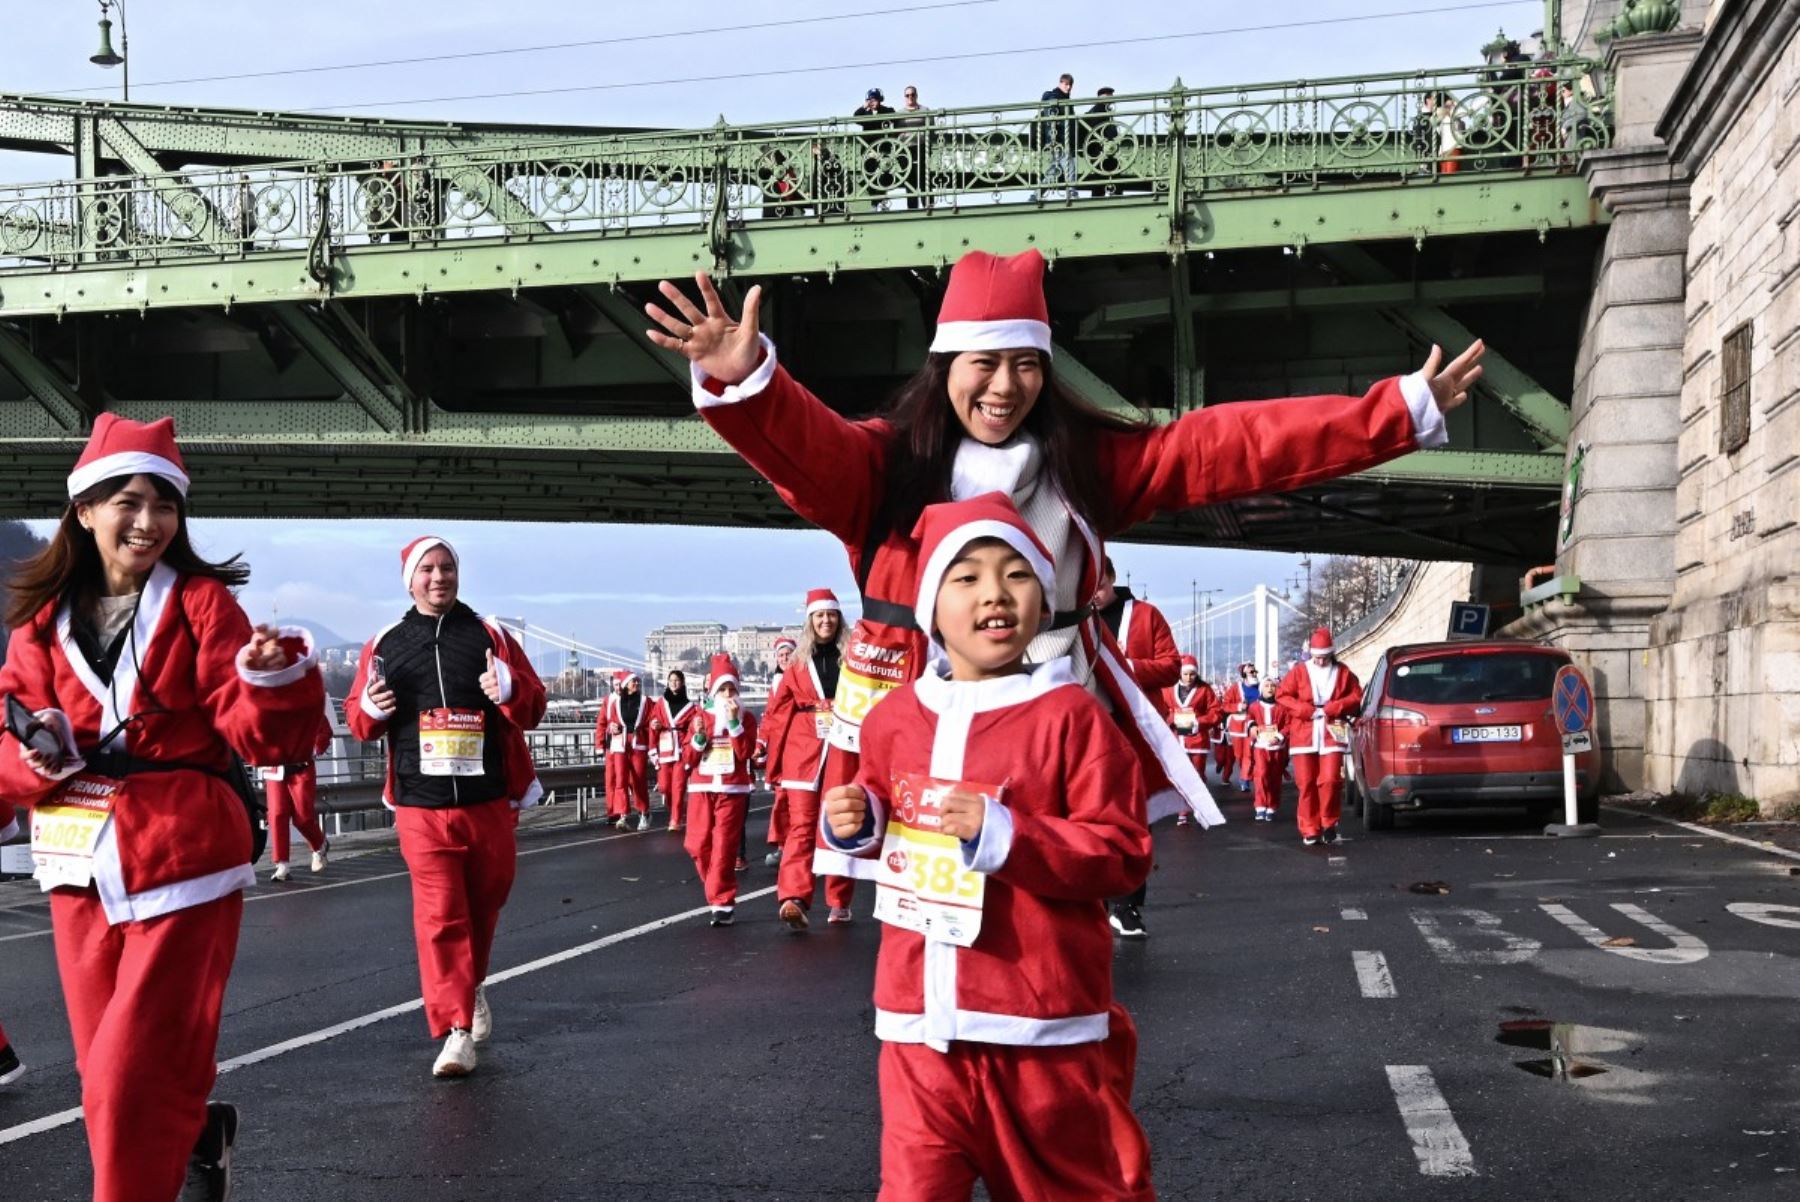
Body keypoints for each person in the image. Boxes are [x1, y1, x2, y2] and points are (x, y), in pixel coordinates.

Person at [645, 247, 1480, 910]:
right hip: (925, 740)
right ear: (944, 365)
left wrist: (1396, 412)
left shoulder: (1082, 470)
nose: (1005, 387)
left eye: (1027, 364)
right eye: (983, 362)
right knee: (938, 948)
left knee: (1056, 931)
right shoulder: (885, 471)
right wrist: (743, 379)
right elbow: (802, 444)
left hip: (1052, 736)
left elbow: (1233, 446)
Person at [0, 414, 325, 1202]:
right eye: (128, 502)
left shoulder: (203, 605)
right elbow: (9, 723)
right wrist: (32, 750)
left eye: (165, 505)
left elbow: (251, 733)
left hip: (183, 860)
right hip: (79, 864)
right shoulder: (42, 617)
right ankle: (197, 1133)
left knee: (127, 1078)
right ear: (83, 509)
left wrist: (268, 679)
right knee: (106, 1074)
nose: (148, 523)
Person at [822, 493, 1155, 1201]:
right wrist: (857, 822)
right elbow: (886, 828)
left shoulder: (1073, 718)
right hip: (916, 1030)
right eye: (966, 577)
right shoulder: (891, 721)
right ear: (930, 605)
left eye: (1017, 575)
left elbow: (1123, 852)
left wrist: (1005, 835)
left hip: (1039, 1032)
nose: (994, 594)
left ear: (1043, 599)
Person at [347, 535, 547, 1078]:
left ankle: (472, 981)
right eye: (427, 570)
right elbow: (359, 722)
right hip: (421, 803)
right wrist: (369, 705)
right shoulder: (386, 642)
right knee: (440, 916)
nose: (439, 578)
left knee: (486, 900)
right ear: (410, 581)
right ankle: (456, 1030)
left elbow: (534, 704)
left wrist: (509, 687)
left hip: (487, 798)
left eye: (447, 568)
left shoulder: (491, 635)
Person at [1094, 557, 1181, 938]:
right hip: (1090, 730)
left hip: (1136, 732)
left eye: (1097, 586)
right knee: (1090, 816)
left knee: (1135, 818)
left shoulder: (1146, 615)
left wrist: (1124, 666)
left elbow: (1172, 666)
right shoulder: (1071, 617)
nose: (1092, 596)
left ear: (1111, 579)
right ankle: (1095, 902)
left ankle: (1128, 906)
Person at [763, 589, 851, 931]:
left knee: (839, 825)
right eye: (819, 616)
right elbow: (777, 710)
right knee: (801, 826)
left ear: (838, 620)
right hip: (804, 752)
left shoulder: (854, 659)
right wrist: (770, 754)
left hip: (844, 747)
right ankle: (794, 898)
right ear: (810, 621)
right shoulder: (797, 665)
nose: (825, 621)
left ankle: (839, 899)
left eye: (830, 615)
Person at [685, 652, 759, 926]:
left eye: (732, 689)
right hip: (702, 788)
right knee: (696, 844)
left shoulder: (746, 718)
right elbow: (688, 759)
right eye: (723, 689)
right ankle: (715, 887)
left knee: (724, 847)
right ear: (713, 691)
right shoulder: (698, 717)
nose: (728, 694)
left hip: (732, 789)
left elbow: (746, 752)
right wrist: (698, 738)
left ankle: (722, 902)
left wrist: (734, 724)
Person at [1275, 627, 1363, 846]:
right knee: (1305, 783)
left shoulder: (1343, 672)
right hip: (1304, 729)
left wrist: (1337, 706)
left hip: (1332, 728)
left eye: (1324, 657)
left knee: (1331, 779)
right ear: (1310, 654)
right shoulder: (1298, 671)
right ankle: (1309, 828)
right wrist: (1303, 710)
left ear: (1331, 654)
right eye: (1317, 657)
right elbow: (1282, 695)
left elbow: (1356, 695)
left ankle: (1328, 822)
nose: (1321, 662)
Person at [258, 693, 336, 881]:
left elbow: (324, 732)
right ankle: (282, 864)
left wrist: (313, 750)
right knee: (276, 814)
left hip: (302, 768)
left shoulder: (308, 705)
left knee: (303, 817)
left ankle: (319, 846)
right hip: (275, 768)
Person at [1165, 656, 1219, 827]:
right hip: (1177, 740)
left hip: (1197, 740)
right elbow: (1160, 708)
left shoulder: (1205, 690)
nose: (1189, 678)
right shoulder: (1167, 690)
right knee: (1180, 776)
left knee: (1198, 775)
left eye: (1192, 675)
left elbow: (1216, 711)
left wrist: (1200, 722)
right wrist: (1171, 718)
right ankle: (1183, 811)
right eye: (1185, 674)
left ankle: (1199, 805)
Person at [759, 635, 798, 863]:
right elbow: (769, 718)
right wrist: (761, 743)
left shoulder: (802, 679)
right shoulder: (774, 686)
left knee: (798, 799)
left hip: (798, 744)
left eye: (788, 654)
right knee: (782, 799)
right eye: (781, 655)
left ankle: (798, 844)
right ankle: (784, 845)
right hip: (779, 750)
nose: (784, 658)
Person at [600, 670, 652, 830]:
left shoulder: (646, 701)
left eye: (637, 681)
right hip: (619, 745)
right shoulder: (616, 703)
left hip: (638, 744)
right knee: (620, 780)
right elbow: (610, 723)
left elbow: (653, 719)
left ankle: (644, 813)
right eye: (633, 681)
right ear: (625, 685)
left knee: (638, 780)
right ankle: (622, 815)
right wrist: (611, 727)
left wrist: (651, 732)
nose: (636, 683)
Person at [650, 669, 698, 833]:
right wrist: (655, 726)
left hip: (680, 750)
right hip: (664, 749)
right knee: (664, 786)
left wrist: (688, 748)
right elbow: (652, 723)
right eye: (671, 681)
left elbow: (693, 729)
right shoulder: (660, 704)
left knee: (678, 786)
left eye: (677, 680)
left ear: (682, 682)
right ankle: (674, 811)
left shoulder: (691, 707)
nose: (674, 683)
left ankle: (675, 819)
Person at [1245, 669, 1288, 823]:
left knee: (1275, 777)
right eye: (1266, 686)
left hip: (1277, 748)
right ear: (1261, 689)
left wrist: (1279, 736)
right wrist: (1252, 726)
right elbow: (1249, 719)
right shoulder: (1255, 707)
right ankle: (1260, 805)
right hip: (1260, 747)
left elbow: (1288, 725)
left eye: (1273, 686)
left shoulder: (1282, 708)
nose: (1270, 688)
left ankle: (1272, 805)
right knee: (1261, 774)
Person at [853, 87, 899, 207]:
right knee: (869, 174)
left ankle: (882, 199)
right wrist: (864, 106)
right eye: (870, 100)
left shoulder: (887, 110)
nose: (872, 102)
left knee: (884, 175)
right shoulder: (865, 113)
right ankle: (875, 202)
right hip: (869, 150)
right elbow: (855, 117)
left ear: (879, 100)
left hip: (883, 149)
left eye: (874, 99)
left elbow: (894, 118)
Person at [1036, 73, 1078, 199]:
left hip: (1057, 139)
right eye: (1066, 84)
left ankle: (1037, 194)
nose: (1068, 87)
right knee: (1069, 164)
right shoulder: (1055, 95)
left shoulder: (1065, 98)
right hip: (1058, 139)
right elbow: (1050, 99)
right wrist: (1056, 103)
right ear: (1060, 83)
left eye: (1070, 85)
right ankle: (1072, 191)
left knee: (1054, 169)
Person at [1221, 662, 1261, 791]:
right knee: (1239, 755)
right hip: (1238, 726)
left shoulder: (1262, 687)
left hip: (1255, 724)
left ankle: (1245, 778)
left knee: (1250, 753)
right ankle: (1244, 774)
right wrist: (1239, 706)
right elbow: (1225, 705)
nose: (1254, 674)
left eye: (1255, 671)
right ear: (1244, 674)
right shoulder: (1235, 688)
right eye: (1251, 672)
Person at [896, 85, 934, 210]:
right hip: (905, 149)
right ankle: (912, 207)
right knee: (909, 177)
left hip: (921, 146)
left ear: (916, 96)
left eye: (912, 94)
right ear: (904, 97)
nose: (910, 97)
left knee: (923, 175)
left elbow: (931, 129)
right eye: (907, 95)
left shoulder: (925, 110)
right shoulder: (899, 113)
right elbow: (894, 131)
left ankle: (928, 204)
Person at [1083, 86, 1123, 197]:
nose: (1111, 98)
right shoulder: (1098, 111)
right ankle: (1115, 195)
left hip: (1103, 150)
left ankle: (1100, 198)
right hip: (1102, 150)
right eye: (1109, 96)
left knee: (1101, 177)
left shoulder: (1101, 111)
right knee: (1111, 172)